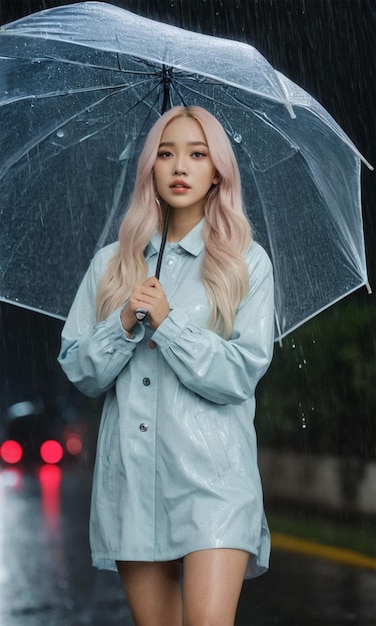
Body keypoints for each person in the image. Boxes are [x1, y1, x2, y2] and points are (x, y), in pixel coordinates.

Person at [58, 105, 275, 626]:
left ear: (217, 170)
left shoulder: (246, 263)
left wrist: (168, 324)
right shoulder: (112, 264)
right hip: (132, 480)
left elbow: (240, 373)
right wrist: (125, 322)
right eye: (166, 153)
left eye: (197, 154)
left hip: (216, 484)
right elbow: (80, 369)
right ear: (149, 169)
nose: (181, 167)